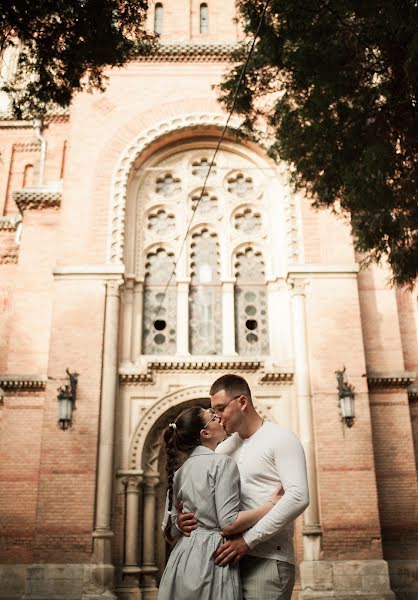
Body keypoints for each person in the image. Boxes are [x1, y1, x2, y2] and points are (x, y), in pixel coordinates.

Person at [178, 374, 309, 600]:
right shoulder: (222, 449)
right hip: (226, 562)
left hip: (267, 560)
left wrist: (248, 541)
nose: (216, 417)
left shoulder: (281, 438)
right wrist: (183, 520)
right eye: (213, 411)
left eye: (220, 408)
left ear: (242, 402)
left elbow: (298, 497)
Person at [158, 405, 283, 600]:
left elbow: (170, 533)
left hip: (181, 561)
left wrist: (178, 523)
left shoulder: (179, 473)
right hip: (212, 559)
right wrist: (271, 505)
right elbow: (228, 522)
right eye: (212, 418)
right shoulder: (222, 463)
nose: (218, 418)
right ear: (205, 433)